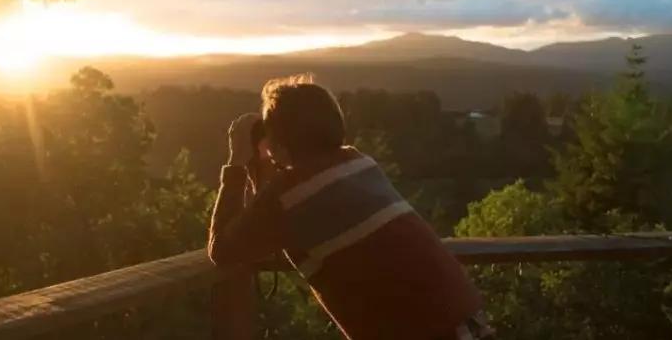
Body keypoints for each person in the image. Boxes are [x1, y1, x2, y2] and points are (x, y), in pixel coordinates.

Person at [208, 74, 492, 340]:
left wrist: (237, 163)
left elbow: (222, 250)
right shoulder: (359, 163)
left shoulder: (287, 197)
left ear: (279, 142)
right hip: (469, 322)